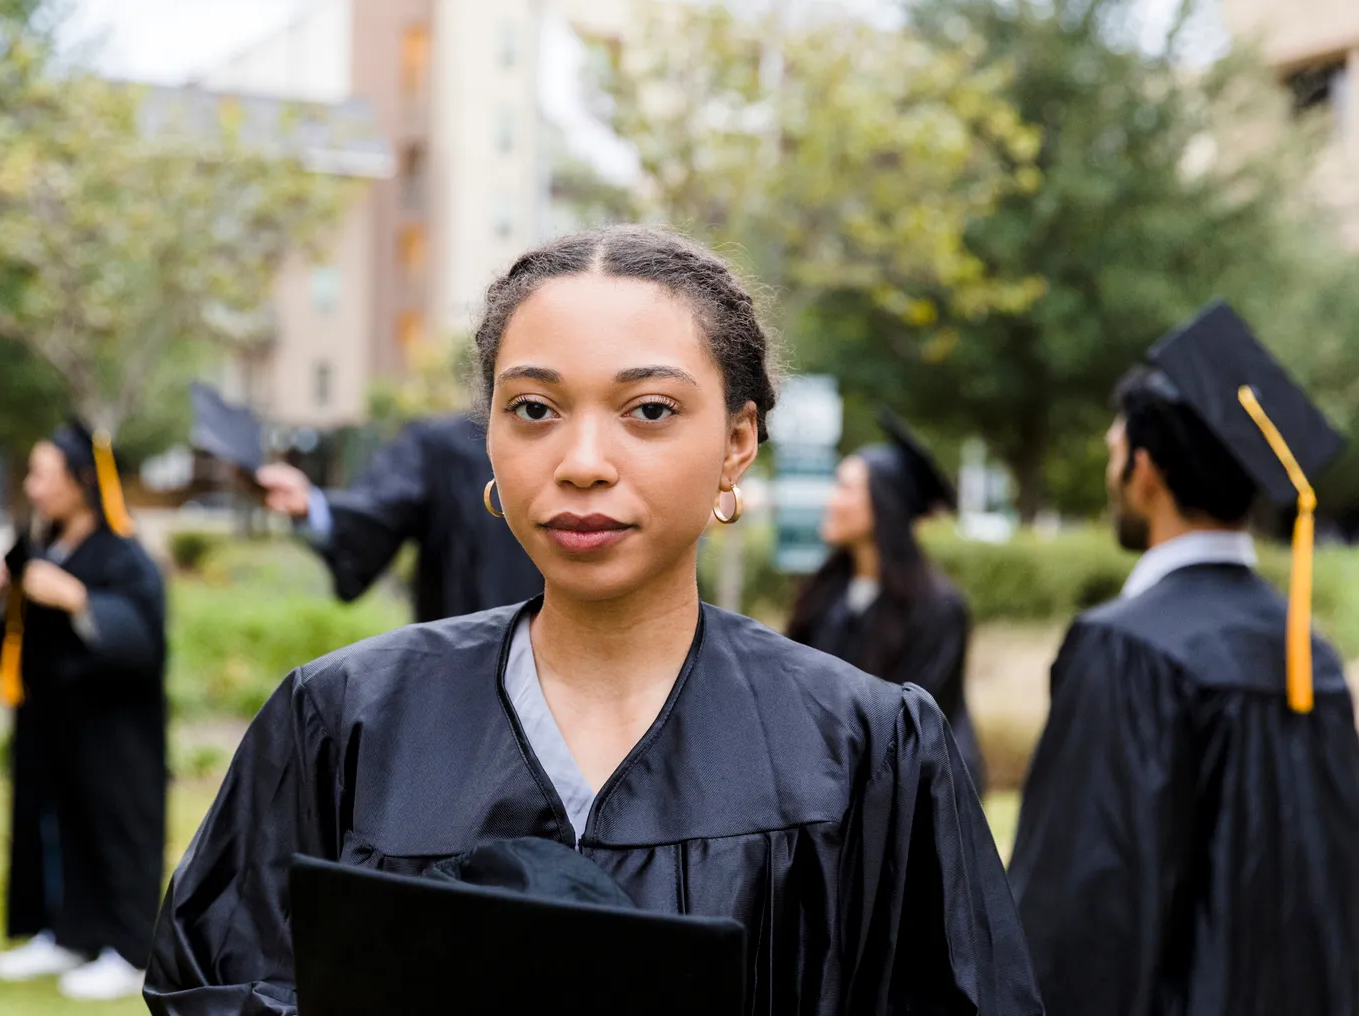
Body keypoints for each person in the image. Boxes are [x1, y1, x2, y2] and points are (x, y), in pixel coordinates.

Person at [145, 225, 1040, 1014]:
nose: (580, 463)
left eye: (649, 411)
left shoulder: (862, 750)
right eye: (533, 409)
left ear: (737, 443)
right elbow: (219, 982)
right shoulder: (344, 722)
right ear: (487, 434)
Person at [1009, 301, 1359, 1016]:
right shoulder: (1311, 657)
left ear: (1146, 470)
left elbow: (1079, 919)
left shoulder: (1127, 650)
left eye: (1115, 454)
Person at [0, 422, 167, 1002]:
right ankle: (66, 934)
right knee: (56, 827)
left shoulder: (125, 553)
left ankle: (130, 951)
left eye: (41, 475)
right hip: (53, 722)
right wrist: (2, 593)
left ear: (82, 481)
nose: (31, 487)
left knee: (115, 828)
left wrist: (78, 598)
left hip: (113, 728)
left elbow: (144, 636)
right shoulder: (42, 544)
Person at [786, 410, 986, 794]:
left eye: (844, 488)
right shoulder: (825, 593)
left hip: (909, 802)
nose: (831, 500)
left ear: (882, 504)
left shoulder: (938, 609)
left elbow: (916, 728)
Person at [257, 411, 544, 621]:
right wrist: (311, 505)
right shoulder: (443, 447)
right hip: (468, 673)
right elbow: (379, 510)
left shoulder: (581, 452)